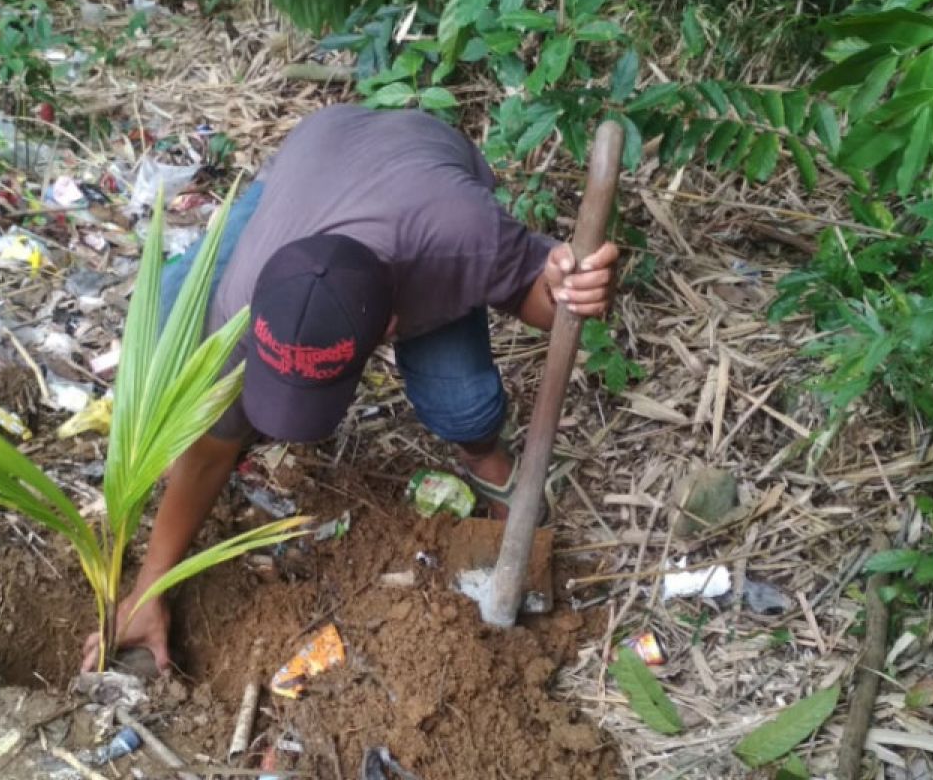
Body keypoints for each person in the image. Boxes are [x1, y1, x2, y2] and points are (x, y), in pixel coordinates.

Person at [81, 104, 619, 672]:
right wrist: (148, 593)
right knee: (170, 312)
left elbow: (536, 301)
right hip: (316, 150)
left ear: (390, 328)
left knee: (463, 405)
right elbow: (212, 452)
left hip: (420, 160)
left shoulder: (462, 237)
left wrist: (568, 289)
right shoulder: (241, 298)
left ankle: (486, 458)